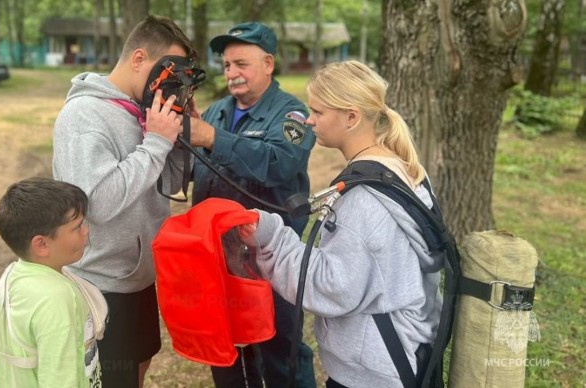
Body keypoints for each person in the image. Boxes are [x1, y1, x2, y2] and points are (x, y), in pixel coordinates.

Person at [238, 60, 444, 387]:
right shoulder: (401, 169)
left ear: (351, 117)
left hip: (374, 373)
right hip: (406, 358)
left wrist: (271, 238)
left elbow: (330, 287)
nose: (309, 120)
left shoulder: (363, 200)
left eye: (318, 112)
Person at [52, 15, 197, 388]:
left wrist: (178, 136)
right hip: (103, 283)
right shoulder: (84, 115)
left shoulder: (140, 111)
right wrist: (156, 143)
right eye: (168, 70)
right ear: (138, 59)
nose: (172, 82)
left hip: (140, 276)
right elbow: (95, 202)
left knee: (139, 364)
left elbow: (169, 184)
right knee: (112, 378)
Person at [188, 21, 317, 388]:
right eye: (227, 65)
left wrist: (212, 138)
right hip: (219, 257)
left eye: (241, 64)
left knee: (281, 349)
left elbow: (279, 165)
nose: (232, 73)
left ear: (268, 63)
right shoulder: (215, 112)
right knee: (225, 347)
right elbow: (195, 174)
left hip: (270, 257)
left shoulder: (293, 114)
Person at [0, 177, 107, 387]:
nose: (86, 230)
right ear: (42, 244)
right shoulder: (56, 299)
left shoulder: (15, 274)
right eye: (78, 226)